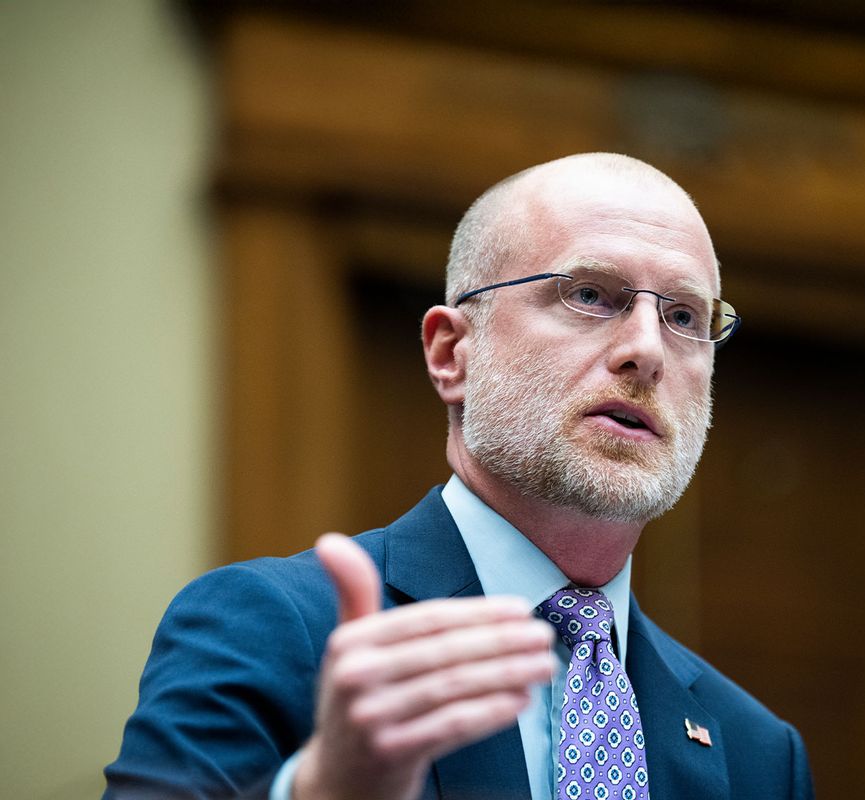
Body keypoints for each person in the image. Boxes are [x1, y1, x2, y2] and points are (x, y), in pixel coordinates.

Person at [105, 153, 814, 800]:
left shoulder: (759, 752)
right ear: (453, 354)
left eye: (684, 315)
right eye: (591, 295)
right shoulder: (274, 628)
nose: (645, 351)